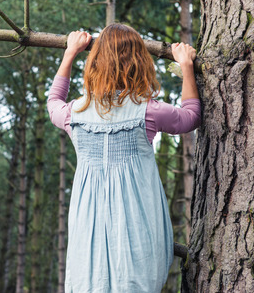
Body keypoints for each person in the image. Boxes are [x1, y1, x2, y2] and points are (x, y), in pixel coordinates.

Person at [47, 23, 200, 292]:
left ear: (94, 63)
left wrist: (69, 53)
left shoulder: (75, 113)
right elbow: (190, 117)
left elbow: (53, 103)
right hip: (138, 225)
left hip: (88, 227)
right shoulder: (149, 111)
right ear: (140, 62)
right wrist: (186, 66)